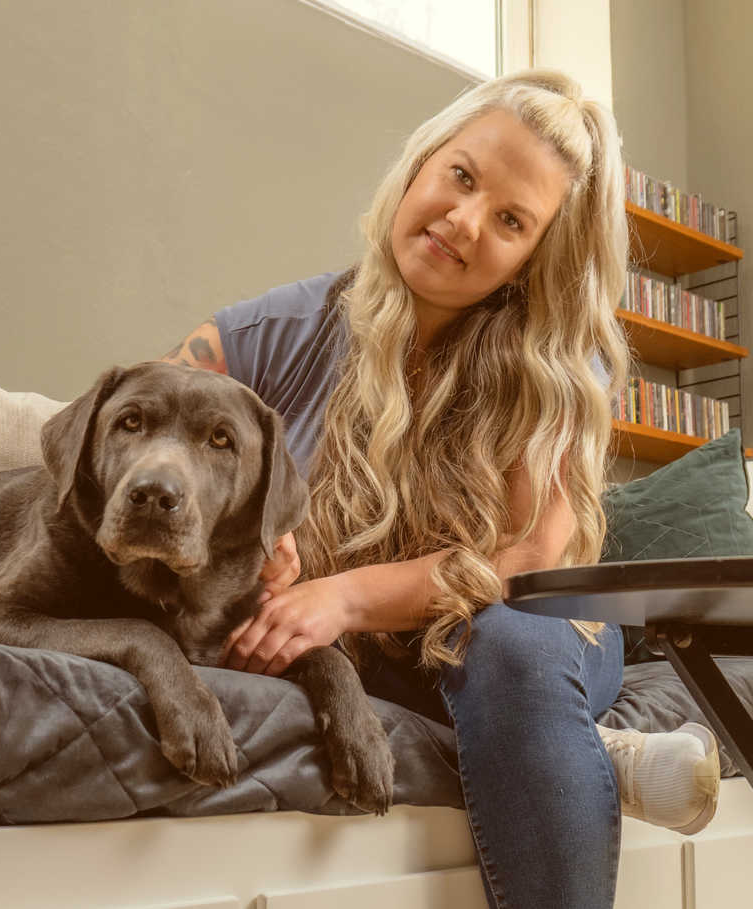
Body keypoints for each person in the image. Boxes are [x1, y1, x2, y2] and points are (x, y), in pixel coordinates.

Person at [162, 69, 721, 909]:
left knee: (506, 641)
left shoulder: (560, 364)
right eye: (460, 175)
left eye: (511, 220)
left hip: (529, 632)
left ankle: (555, 730)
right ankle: (597, 755)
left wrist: (343, 594)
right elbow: (143, 451)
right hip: (369, 655)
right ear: (422, 162)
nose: (463, 221)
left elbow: (527, 563)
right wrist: (250, 542)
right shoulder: (270, 332)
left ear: (535, 259)